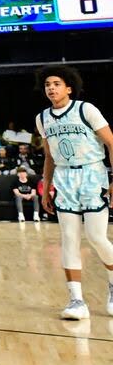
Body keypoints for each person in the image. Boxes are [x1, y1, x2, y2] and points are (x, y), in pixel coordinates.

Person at [34, 66, 113, 320]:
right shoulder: (42, 118)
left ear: (69, 88)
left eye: (56, 83)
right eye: (47, 84)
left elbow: (111, 142)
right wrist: (46, 187)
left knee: (97, 237)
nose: (51, 88)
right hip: (64, 178)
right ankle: (76, 300)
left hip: (92, 173)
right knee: (68, 238)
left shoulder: (85, 109)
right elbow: (49, 156)